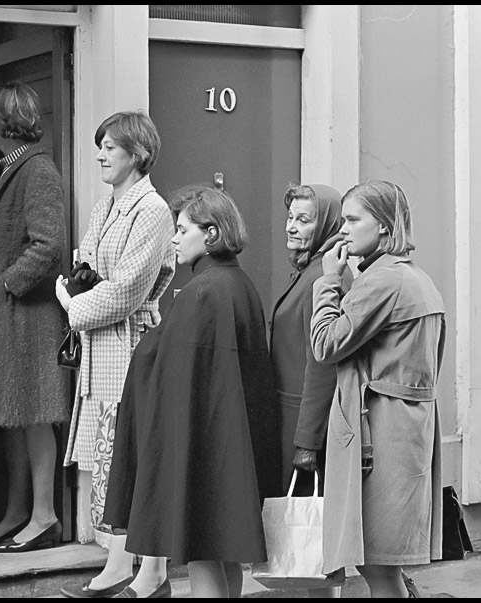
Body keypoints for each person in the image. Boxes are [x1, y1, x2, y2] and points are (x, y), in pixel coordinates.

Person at [102, 185, 281, 598]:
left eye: (182, 230)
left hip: (203, 450)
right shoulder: (240, 285)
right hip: (233, 448)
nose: (175, 239)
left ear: (212, 234)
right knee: (225, 555)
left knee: (203, 555)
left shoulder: (201, 292)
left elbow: (176, 379)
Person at [55, 111, 175, 598]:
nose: (101, 153)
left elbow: (127, 290)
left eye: (110, 145)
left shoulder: (153, 211)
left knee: (132, 452)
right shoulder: (106, 204)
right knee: (110, 457)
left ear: (138, 154)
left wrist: (71, 303)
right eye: (99, 144)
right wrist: (83, 287)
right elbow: (87, 259)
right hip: (102, 345)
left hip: (132, 344)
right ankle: (118, 565)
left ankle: (147, 571)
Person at [310, 180, 445, 598]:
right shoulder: (416, 279)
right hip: (405, 433)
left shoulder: (383, 282)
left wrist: (328, 281)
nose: (343, 230)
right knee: (384, 565)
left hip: (381, 436)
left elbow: (325, 344)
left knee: (378, 564)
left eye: (353, 220)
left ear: (384, 227)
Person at [0, 82, 69, 553]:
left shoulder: (37, 170)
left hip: (29, 316)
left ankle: (44, 517)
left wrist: (9, 283)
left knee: (34, 414)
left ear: (1, 121)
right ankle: (15, 512)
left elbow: (49, 243)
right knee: (13, 416)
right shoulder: (12, 168)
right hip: (11, 317)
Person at [269, 183, 351, 598]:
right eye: (290, 218)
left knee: (316, 544)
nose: (292, 227)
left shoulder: (325, 274)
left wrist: (306, 442)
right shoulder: (311, 268)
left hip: (306, 422)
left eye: (304, 220)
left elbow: (323, 365)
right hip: (293, 417)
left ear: (326, 224)